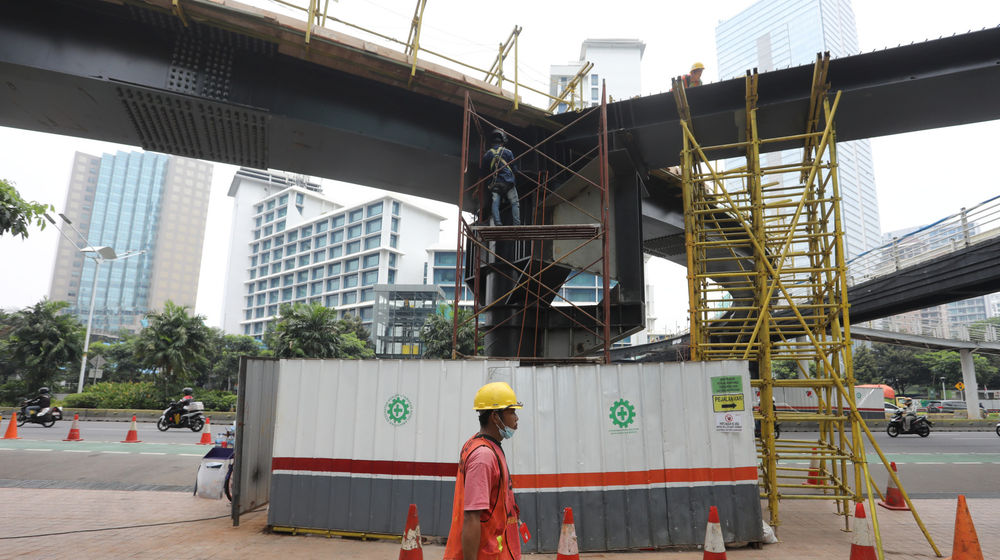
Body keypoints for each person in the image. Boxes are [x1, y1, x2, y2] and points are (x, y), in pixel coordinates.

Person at [443, 382, 524, 560]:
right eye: (511, 412)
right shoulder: (483, 457)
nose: (516, 417)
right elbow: (472, 517)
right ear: (495, 417)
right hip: (486, 554)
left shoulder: (483, 445)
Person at [481, 129, 521, 226]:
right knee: (514, 203)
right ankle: (517, 224)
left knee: (495, 203)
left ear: (492, 142)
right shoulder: (508, 152)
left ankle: (497, 222)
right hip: (508, 181)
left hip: (495, 183)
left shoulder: (487, 154)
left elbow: (483, 172)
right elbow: (514, 168)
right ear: (502, 142)